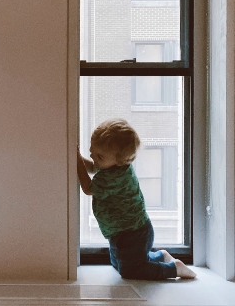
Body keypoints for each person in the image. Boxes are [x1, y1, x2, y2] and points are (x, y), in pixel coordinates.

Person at [76, 118, 196, 280]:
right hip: (125, 231)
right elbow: (93, 167)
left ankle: (173, 269)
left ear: (120, 160)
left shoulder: (114, 177)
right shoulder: (114, 165)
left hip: (132, 234)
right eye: (92, 150)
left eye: (99, 156)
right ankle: (160, 256)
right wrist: (76, 157)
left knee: (130, 271)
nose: (93, 156)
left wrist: (76, 160)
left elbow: (87, 188)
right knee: (119, 263)